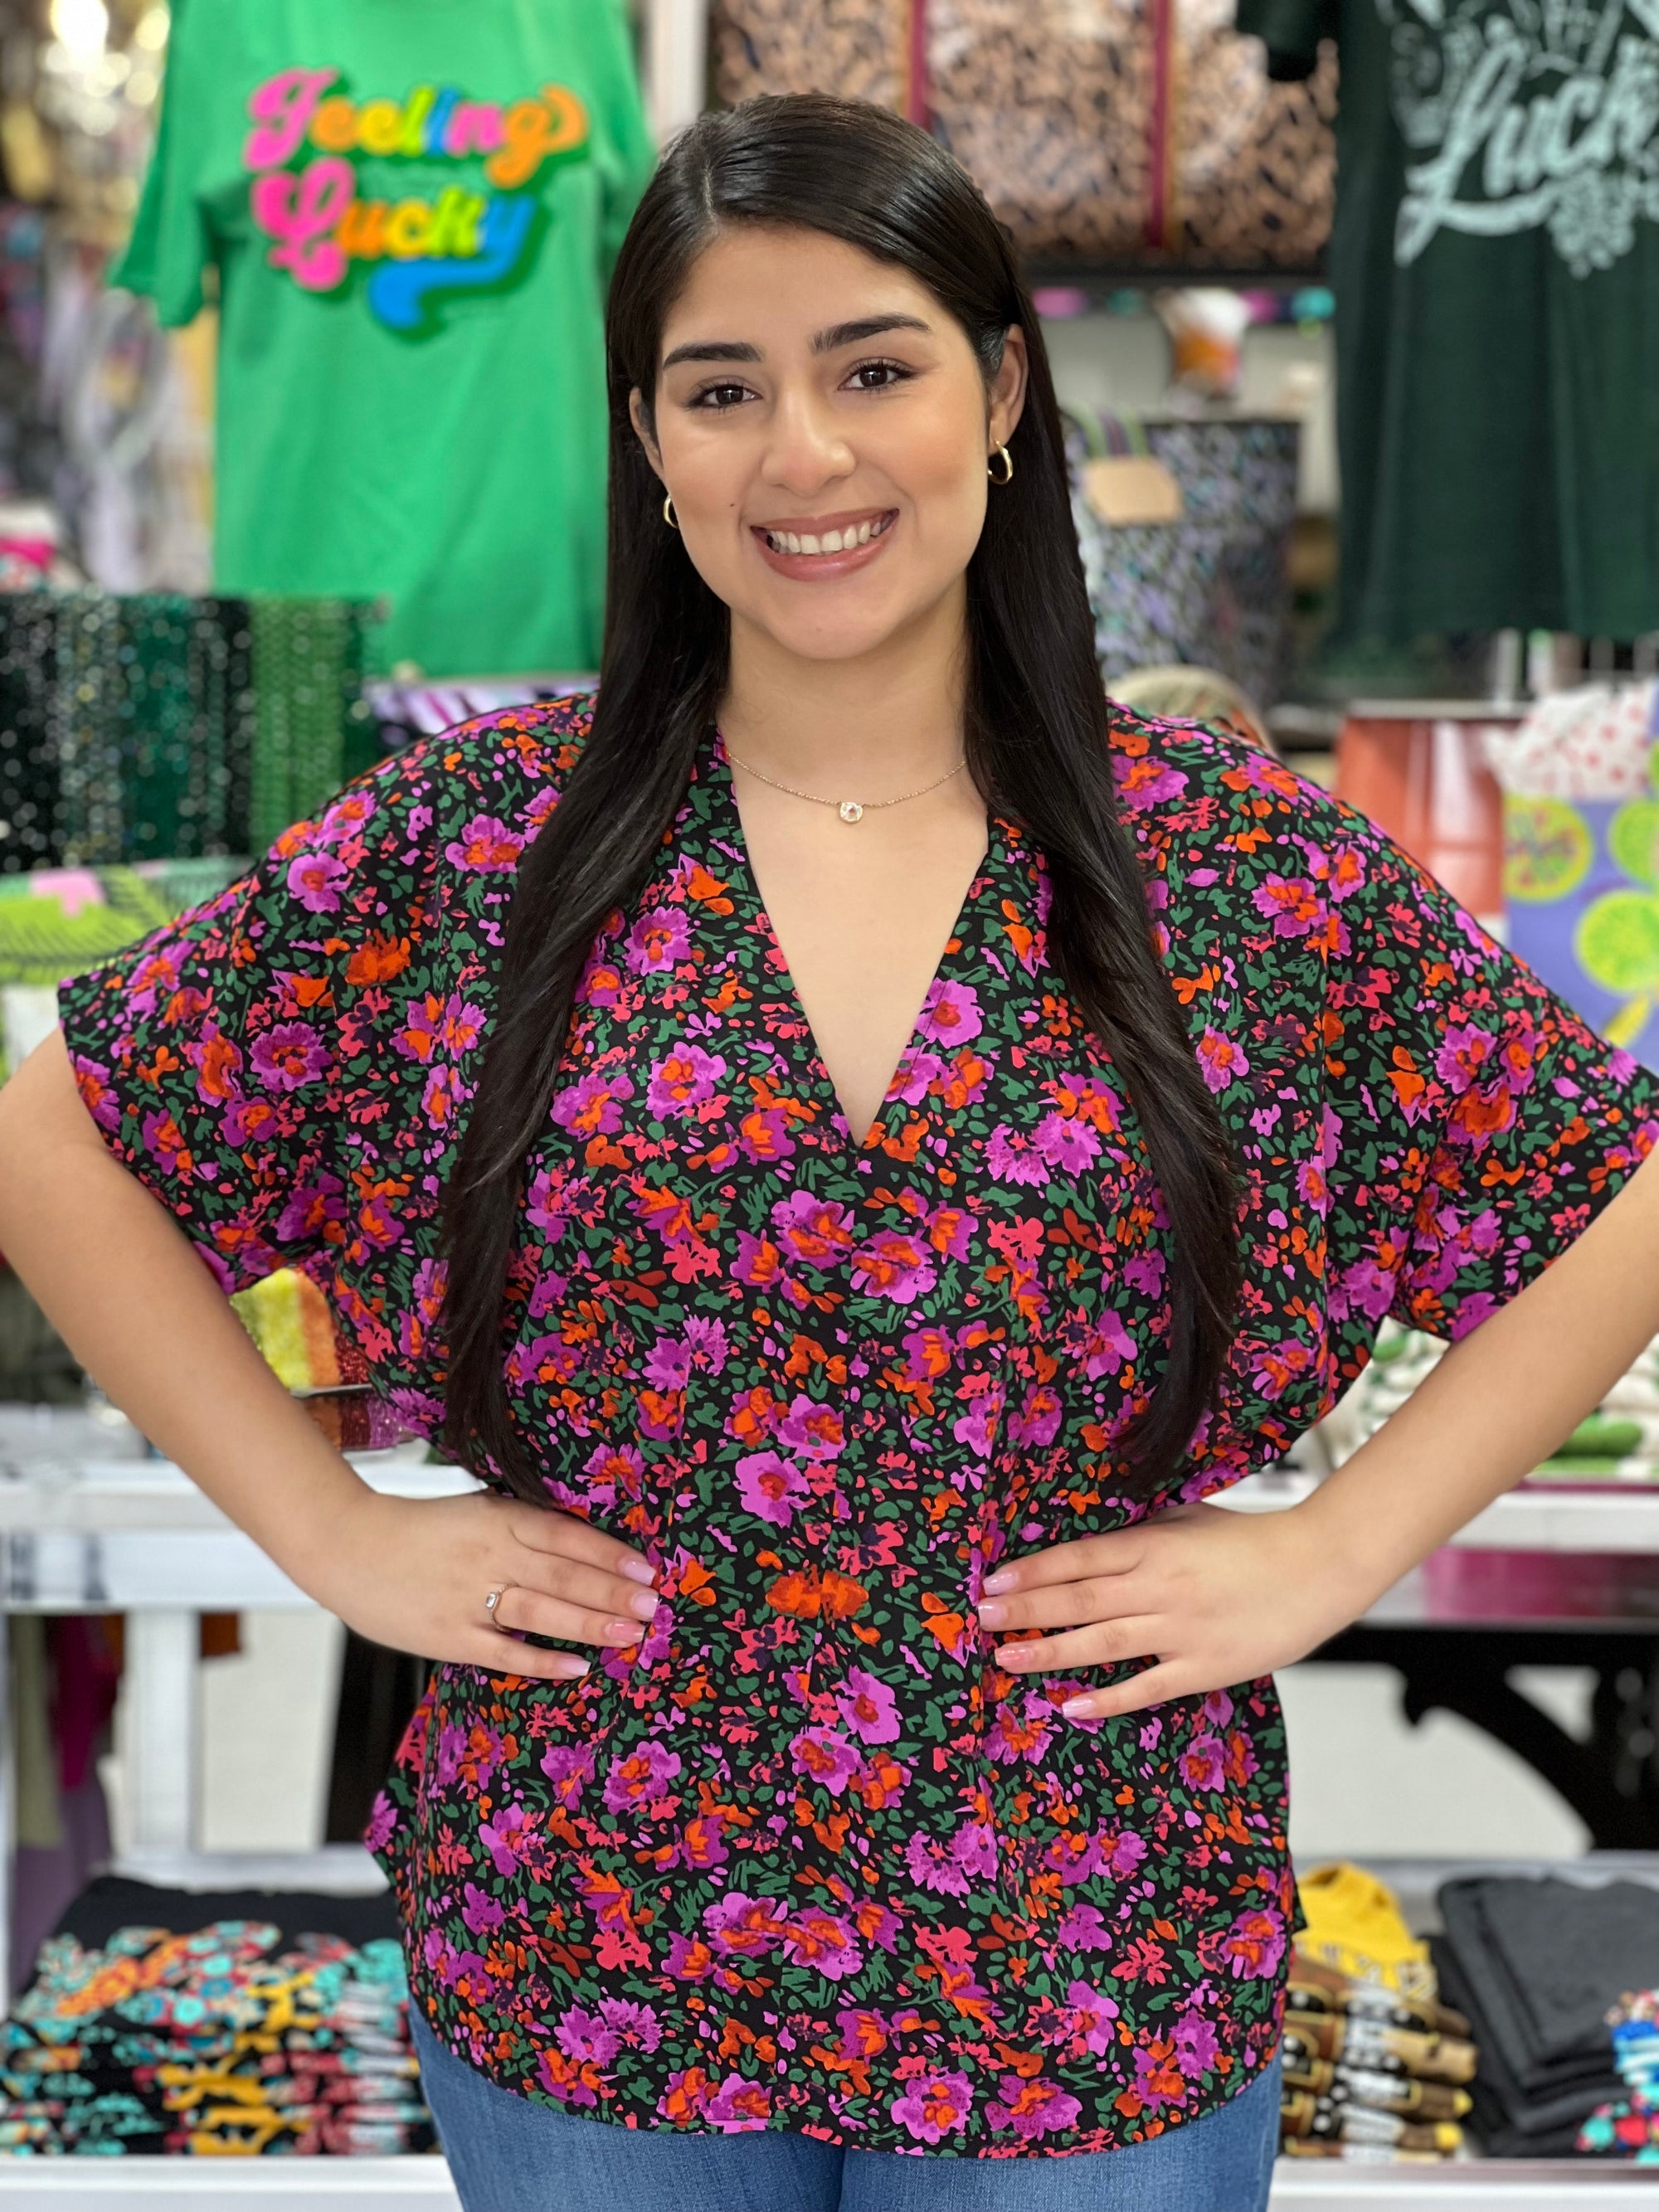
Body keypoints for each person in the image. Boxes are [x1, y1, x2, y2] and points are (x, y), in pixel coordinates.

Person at [3, 92, 1659, 2212]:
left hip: (1091, 1937)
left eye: (870, 365)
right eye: (723, 389)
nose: (803, 455)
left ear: (997, 388)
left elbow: (1608, 1190)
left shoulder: (1231, 857)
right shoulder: (476, 842)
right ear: (649, 441)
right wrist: (335, 1536)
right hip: (599, 1918)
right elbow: (62, 1135)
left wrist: (1333, 1549)